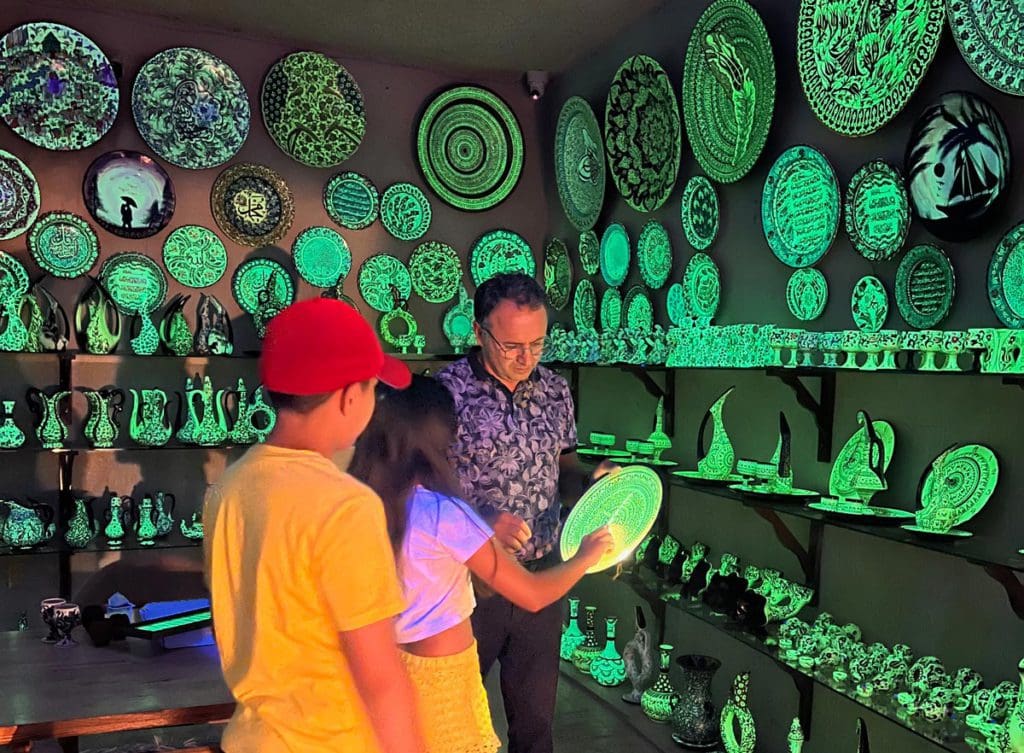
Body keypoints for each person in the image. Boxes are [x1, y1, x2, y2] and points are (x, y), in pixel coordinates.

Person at [203, 298, 426, 753]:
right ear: (349, 397)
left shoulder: (229, 486)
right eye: (372, 390)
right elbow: (380, 679)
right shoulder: (347, 506)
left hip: (252, 739)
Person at [349, 374, 613, 753]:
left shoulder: (367, 505)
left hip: (394, 666)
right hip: (445, 680)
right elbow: (534, 595)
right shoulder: (445, 514)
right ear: (440, 438)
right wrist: (586, 556)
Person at [435, 273, 616, 753]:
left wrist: (593, 479)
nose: (526, 358)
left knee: (536, 726)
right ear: (478, 332)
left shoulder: (555, 390)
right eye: (512, 345)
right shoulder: (443, 393)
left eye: (537, 343)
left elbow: (565, 467)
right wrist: (477, 524)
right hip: (467, 586)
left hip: (540, 574)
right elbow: (421, 489)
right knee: (451, 722)